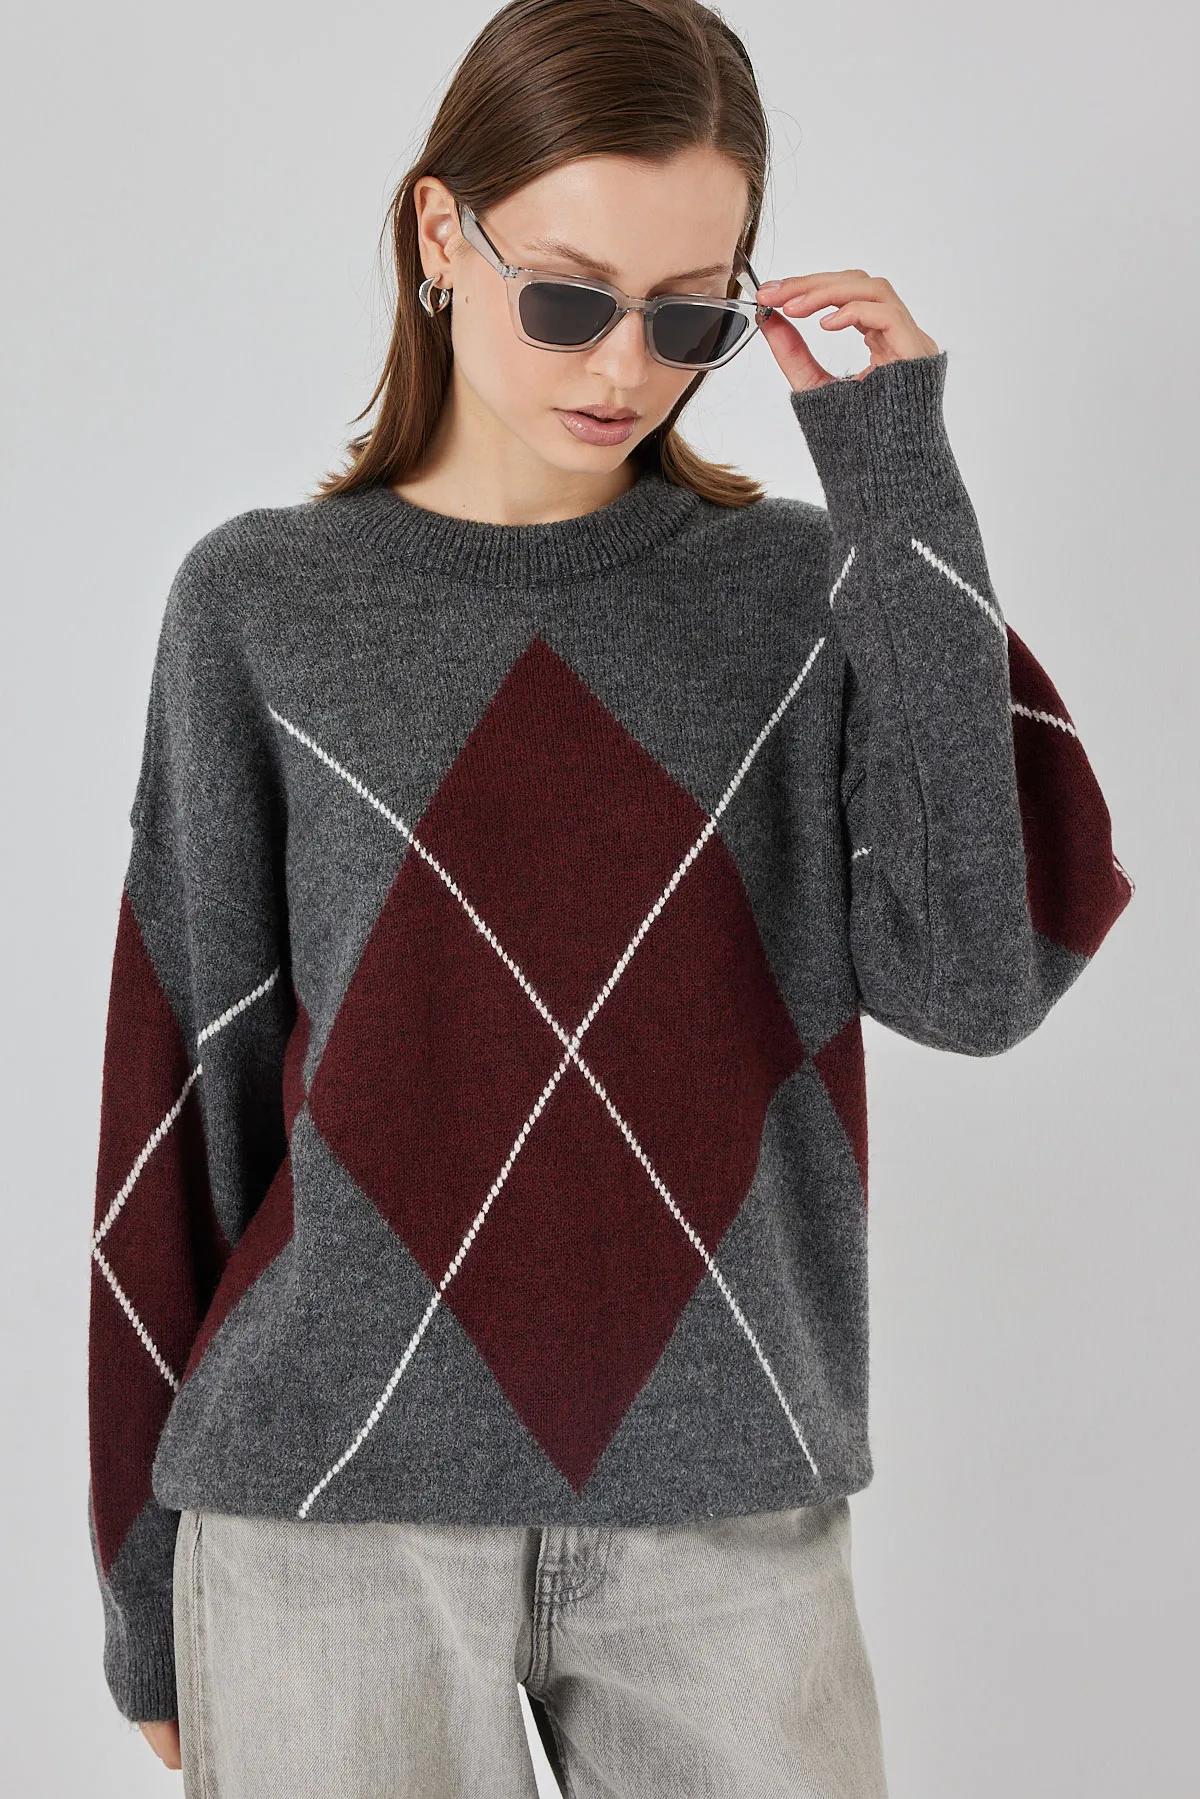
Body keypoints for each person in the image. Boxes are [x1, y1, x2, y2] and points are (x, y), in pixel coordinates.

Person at [85, 1, 1134, 1793]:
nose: (626, 366)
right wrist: (142, 1597)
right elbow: (182, 1103)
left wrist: (895, 474)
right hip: (326, 1518)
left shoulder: (803, 591)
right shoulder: (262, 605)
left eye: (692, 315)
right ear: (442, 233)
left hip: (731, 1501)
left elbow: (976, 974)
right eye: (569, 297)